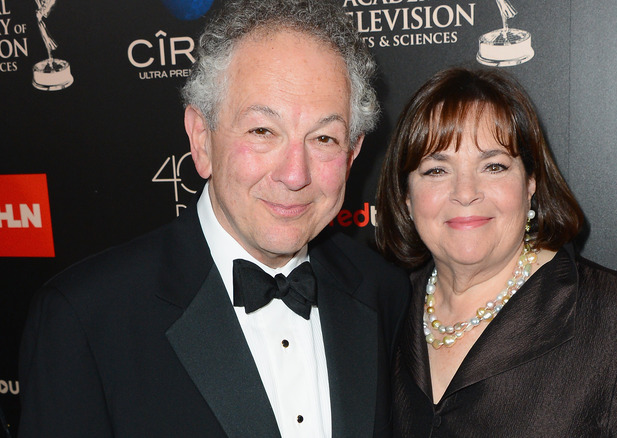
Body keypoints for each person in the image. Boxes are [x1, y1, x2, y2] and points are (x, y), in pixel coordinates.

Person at [18, 1, 410, 437]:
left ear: (352, 154)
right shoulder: (85, 319)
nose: (295, 174)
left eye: (323, 137)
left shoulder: (384, 295)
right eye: (263, 131)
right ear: (202, 140)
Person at [376, 67, 617, 437]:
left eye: (494, 166)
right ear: (406, 195)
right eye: (436, 170)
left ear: (531, 182)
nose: (465, 192)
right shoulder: (384, 309)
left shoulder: (616, 319)